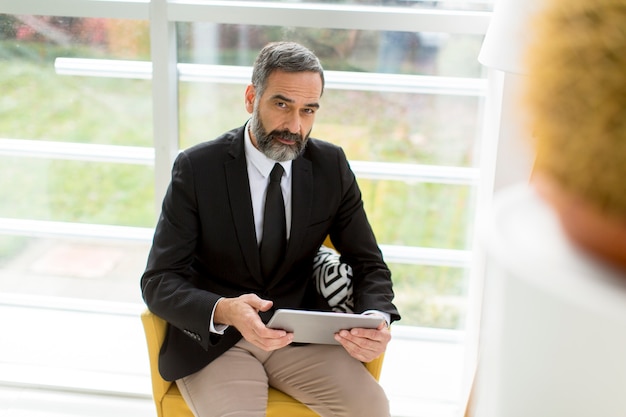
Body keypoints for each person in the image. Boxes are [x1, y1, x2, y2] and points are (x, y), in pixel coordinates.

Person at [141, 41, 400, 417]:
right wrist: (225, 310)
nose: (295, 126)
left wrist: (375, 320)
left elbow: (368, 263)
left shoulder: (331, 166)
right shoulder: (198, 168)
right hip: (217, 342)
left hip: (299, 340)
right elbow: (159, 280)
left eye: (308, 110)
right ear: (251, 98)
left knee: (373, 409)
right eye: (282, 105)